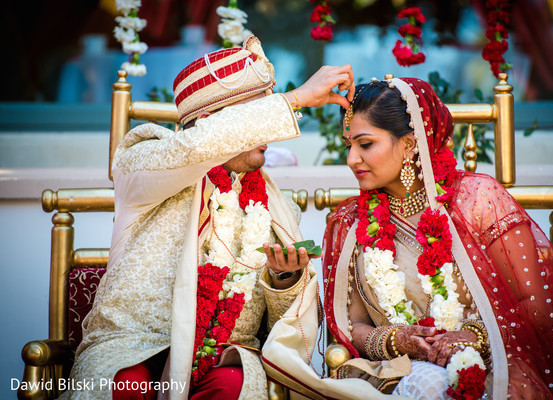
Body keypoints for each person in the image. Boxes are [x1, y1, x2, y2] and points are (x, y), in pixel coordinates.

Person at [261, 76, 553, 400]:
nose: (352, 159)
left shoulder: (478, 201)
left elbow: (538, 305)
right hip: (393, 374)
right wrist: (397, 339)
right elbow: (352, 327)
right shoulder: (349, 223)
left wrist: (474, 337)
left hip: (496, 361)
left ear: (410, 143)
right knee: (430, 383)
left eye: (365, 144)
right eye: (349, 145)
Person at [60, 35, 354, 400]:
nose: (270, 130)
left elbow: (283, 327)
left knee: (235, 388)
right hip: (133, 346)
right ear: (209, 122)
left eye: (267, 113)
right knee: (124, 386)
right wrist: (295, 99)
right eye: (254, 114)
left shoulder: (278, 209)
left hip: (226, 357)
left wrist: (283, 281)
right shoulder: (145, 161)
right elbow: (196, 146)